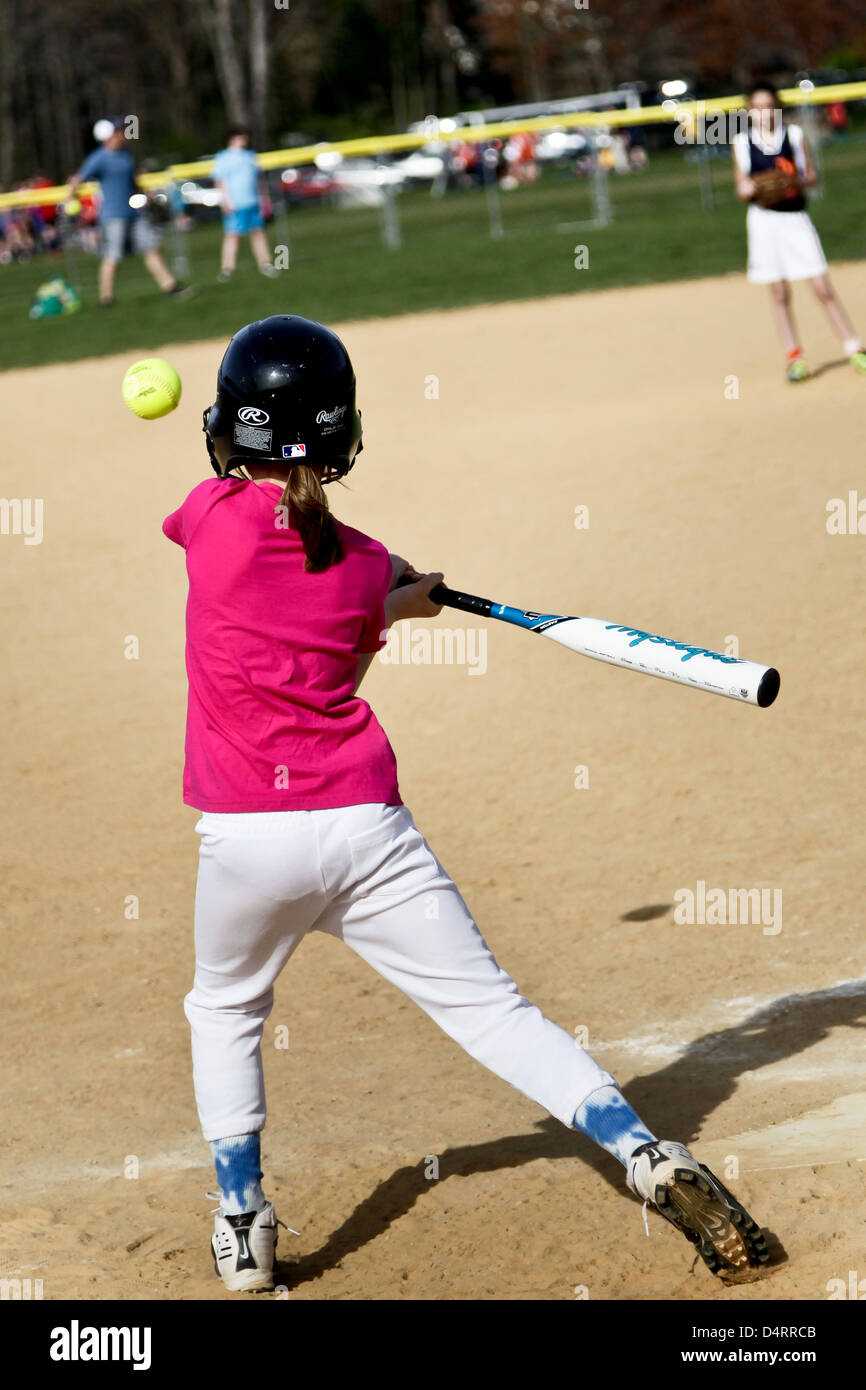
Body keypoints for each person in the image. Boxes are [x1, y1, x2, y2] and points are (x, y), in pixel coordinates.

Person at [163, 314, 769, 1294]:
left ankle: (242, 1227)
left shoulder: (209, 516)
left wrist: (385, 598)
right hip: (365, 827)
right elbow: (344, 642)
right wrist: (397, 598)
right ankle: (650, 1155)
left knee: (225, 1007)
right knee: (494, 1013)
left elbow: (252, 534)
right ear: (343, 434)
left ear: (233, 433)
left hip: (246, 839)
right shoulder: (363, 562)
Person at [732, 80, 866, 383]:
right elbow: (740, 188)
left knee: (821, 287)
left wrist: (793, 180)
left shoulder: (792, 136)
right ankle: (794, 356)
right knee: (779, 292)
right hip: (764, 221)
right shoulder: (742, 142)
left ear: (776, 109)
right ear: (749, 112)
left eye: (769, 106)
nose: (764, 113)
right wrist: (749, 187)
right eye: (757, 108)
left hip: (795, 219)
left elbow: (812, 178)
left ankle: (854, 347)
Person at [67, 119, 193, 308]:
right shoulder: (99, 157)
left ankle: (170, 286)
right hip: (113, 215)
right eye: (117, 131)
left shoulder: (126, 154)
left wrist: (144, 194)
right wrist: (69, 198)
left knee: (151, 247)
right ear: (107, 136)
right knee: (112, 256)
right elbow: (78, 178)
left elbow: (133, 180)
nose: (122, 134)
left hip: (134, 213)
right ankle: (106, 298)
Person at [211, 126, 278, 282]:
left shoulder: (250, 156)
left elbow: (259, 180)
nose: (245, 140)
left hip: (253, 202)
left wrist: (265, 198)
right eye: (241, 137)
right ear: (232, 138)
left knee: (258, 233)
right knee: (233, 236)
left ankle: (265, 264)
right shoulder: (223, 158)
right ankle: (227, 269)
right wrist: (225, 201)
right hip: (235, 204)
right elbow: (219, 181)